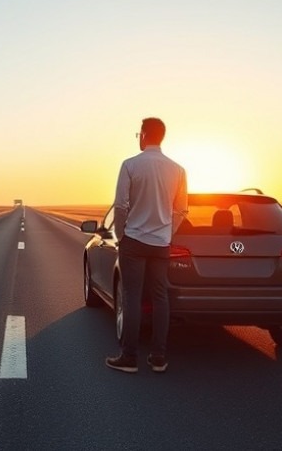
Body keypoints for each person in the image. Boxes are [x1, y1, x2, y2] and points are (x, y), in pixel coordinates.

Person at [106, 117, 187, 374]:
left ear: (143, 135)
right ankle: (159, 357)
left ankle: (130, 357)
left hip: (134, 241)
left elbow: (120, 206)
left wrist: (121, 235)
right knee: (161, 298)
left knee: (132, 298)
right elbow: (181, 210)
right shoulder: (178, 170)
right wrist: (166, 234)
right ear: (161, 136)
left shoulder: (130, 165)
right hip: (160, 244)